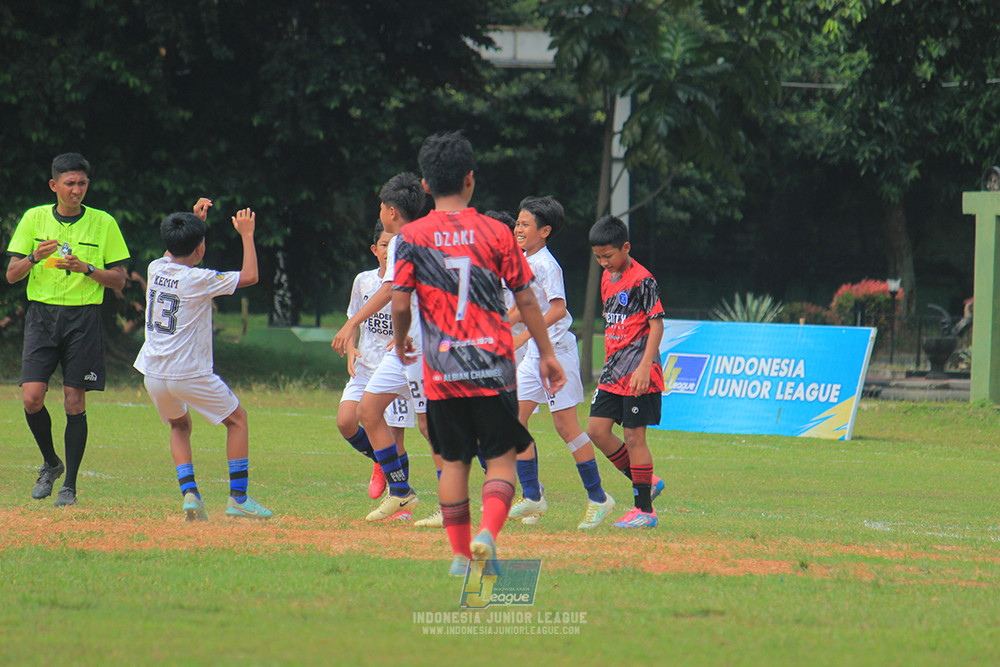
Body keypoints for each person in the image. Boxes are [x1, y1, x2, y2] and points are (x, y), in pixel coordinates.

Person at [392, 131, 566, 576]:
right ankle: (488, 531)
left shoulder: (411, 236)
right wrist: (547, 353)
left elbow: (398, 301)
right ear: (470, 180)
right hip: (494, 367)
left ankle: (459, 554)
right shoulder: (497, 233)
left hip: (443, 368)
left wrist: (401, 337)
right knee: (501, 460)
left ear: (426, 186)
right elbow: (527, 300)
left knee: (453, 463)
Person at [133, 198, 272, 521]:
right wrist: (247, 234)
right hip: (188, 372)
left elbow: (179, 253)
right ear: (199, 248)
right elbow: (250, 276)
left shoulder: (156, 268)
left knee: (179, 426)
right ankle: (238, 498)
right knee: (237, 420)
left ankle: (190, 495)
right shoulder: (200, 279)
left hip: (153, 372)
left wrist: (193, 222)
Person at [5, 153, 130, 507]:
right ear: (54, 185)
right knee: (31, 397)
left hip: (83, 319)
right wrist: (33, 258)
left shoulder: (104, 223)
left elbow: (119, 280)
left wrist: (88, 268)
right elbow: (12, 274)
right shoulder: (34, 218)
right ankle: (50, 462)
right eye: (70, 183)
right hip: (42, 316)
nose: (76, 190)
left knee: (74, 401)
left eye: (82, 184)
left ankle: (70, 486)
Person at [331, 172, 443, 525]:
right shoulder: (421, 235)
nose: (380, 211)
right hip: (404, 344)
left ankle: (452, 505)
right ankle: (400, 491)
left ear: (392, 211)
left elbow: (392, 291)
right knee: (368, 410)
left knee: (428, 426)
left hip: (423, 345)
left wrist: (351, 323)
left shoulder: (403, 241)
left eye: (381, 206)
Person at [506, 196, 616, 529]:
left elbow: (557, 309)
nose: (518, 229)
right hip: (536, 355)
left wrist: (522, 336)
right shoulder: (524, 260)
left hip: (556, 353)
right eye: (518, 223)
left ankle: (599, 499)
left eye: (525, 224)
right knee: (513, 422)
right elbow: (524, 307)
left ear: (545, 230)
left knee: (566, 428)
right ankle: (533, 496)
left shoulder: (545, 264)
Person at [587, 214, 665, 528]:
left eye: (608, 256)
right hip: (612, 371)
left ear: (626, 247)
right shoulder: (608, 278)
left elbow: (656, 323)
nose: (604, 262)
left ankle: (644, 510)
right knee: (596, 430)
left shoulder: (643, 279)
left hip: (638, 372)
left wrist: (645, 367)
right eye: (598, 258)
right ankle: (647, 481)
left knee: (634, 438)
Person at [336, 220, 416, 502]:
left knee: (396, 439)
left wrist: (405, 335)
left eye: (392, 245)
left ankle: (401, 501)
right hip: (366, 365)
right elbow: (352, 320)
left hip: (396, 367)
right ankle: (381, 461)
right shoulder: (363, 281)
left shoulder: (406, 282)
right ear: (375, 249)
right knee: (346, 421)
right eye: (383, 245)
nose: (388, 250)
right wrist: (350, 347)